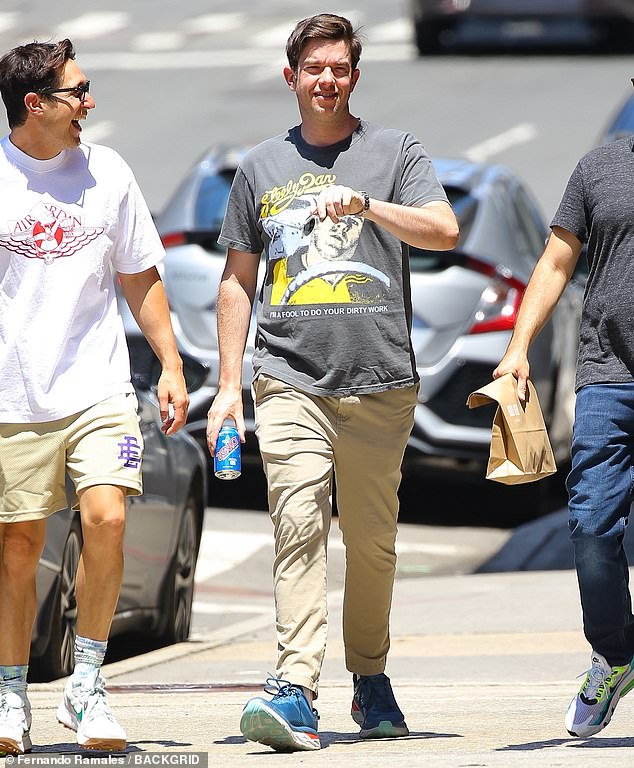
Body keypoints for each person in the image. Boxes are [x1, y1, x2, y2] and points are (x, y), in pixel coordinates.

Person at [206, 13, 459, 753]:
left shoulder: (394, 152)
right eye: (313, 69)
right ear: (292, 78)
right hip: (289, 379)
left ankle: (370, 678)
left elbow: (444, 230)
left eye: (339, 69)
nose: (326, 81)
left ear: (354, 75)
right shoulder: (260, 168)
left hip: (379, 381)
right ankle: (294, 688)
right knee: (298, 524)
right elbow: (237, 281)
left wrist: (366, 204)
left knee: (374, 545)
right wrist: (227, 385)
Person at [0, 40, 188, 754]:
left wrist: (169, 363)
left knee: (106, 517)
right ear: (35, 105)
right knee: (18, 547)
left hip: (98, 387)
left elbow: (140, 277)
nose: (90, 103)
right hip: (13, 394)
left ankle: (87, 687)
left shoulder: (107, 172)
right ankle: (11, 695)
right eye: (77, 92)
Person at [494, 90, 634, 739]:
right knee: (592, 523)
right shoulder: (598, 168)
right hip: (610, 373)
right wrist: (519, 347)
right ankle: (615, 652)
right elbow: (555, 260)